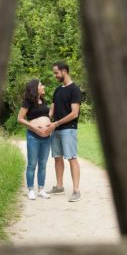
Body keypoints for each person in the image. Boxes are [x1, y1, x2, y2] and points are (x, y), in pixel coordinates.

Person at [45, 62, 81, 202]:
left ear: (64, 71)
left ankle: (76, 190)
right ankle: (59, 186)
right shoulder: (58, 90)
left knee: (72, 158)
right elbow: (53, 108)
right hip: (56, 129)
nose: (55, 76)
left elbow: (74, 114)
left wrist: (57, 123)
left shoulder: (74, 89)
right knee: (58, 158)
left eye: (56, 73)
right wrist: (47, 119)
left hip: (68, 130)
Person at [17, 79, 52, 200]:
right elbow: (20, 118)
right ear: (35, 88)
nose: (43, 86)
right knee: (32, 164)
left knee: (43, 164)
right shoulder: (28, 102)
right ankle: (31, 190)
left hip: (46, 137)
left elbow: (46, 116)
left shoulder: (43, 101)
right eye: (41, 85)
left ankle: (41, 190)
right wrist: (35, 128)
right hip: (33, 136)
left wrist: (48, 125)